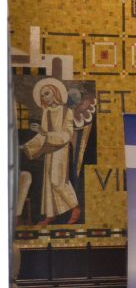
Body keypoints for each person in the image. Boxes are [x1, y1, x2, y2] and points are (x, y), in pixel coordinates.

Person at [20, 78, 82, 225]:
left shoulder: (67, 111)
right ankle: (51, 214)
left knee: (57, 180)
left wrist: (45, 133)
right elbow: (42, 135)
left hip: (61, 150)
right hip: (49, 150)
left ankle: (75, 208)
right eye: (43, 96)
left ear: (54, 92)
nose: (45, 98)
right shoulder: (46, 112)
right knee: (48, 182)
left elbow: (67, 135)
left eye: (47, 93)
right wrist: (27, 146)